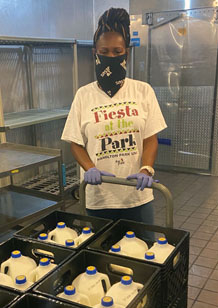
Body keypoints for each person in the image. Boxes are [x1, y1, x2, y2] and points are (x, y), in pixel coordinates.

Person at [62, 7, 166, 224]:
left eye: (117, 52)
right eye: (105, 51)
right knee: (100, 254)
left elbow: (150, 139)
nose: (111, 57)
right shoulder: (84, 95)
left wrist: (146, 169)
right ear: (95, 53)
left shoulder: (143, 91)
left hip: (137, 196)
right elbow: (75, 143)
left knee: (143, 253)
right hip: (99, 197)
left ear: (126, 53)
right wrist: (89, 168)